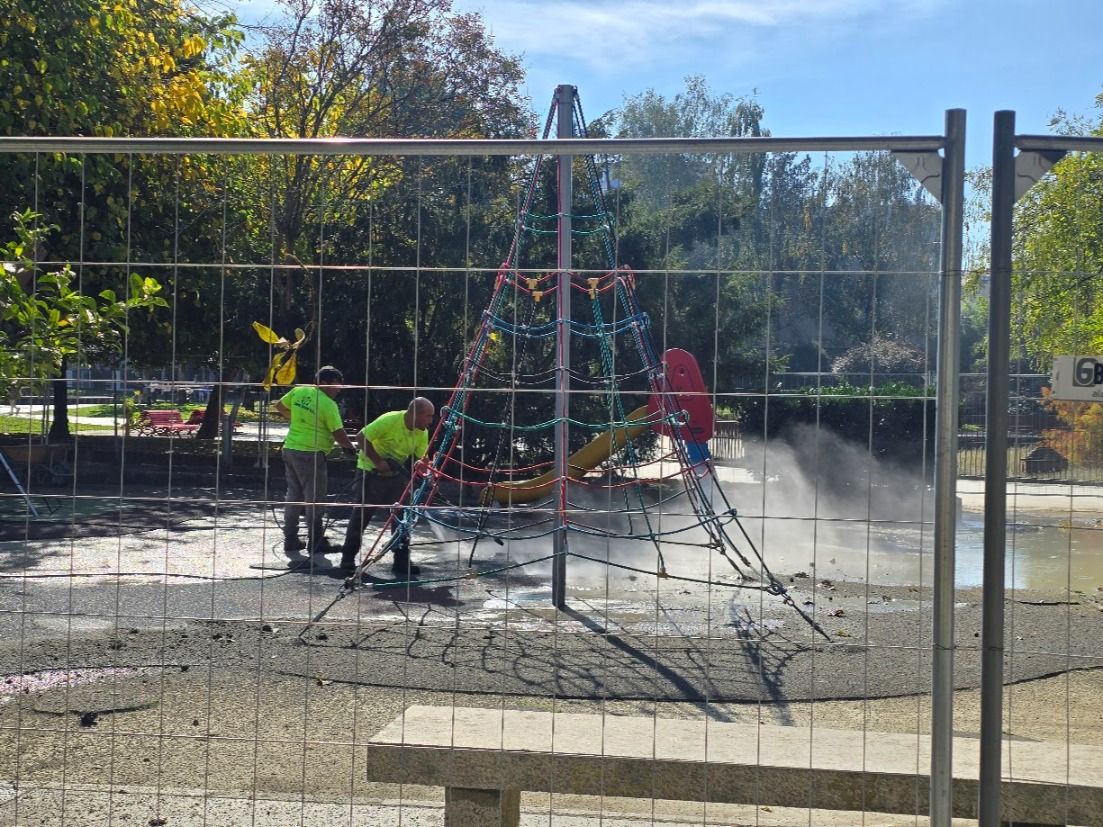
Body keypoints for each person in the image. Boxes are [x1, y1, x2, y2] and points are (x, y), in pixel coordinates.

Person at [340, 397, 435, 575]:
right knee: (362, 514)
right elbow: (361, 437)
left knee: (402, 516)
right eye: (427, 416)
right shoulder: (390, 420)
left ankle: (401, 561)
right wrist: (378, 462)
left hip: (395, 474)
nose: (430, 421)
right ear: (414, 414)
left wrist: (426, 470)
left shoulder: (421, 431)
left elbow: (421, 458)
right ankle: (347, 558)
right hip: (370, 471)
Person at [276, 366, 357, 555]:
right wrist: (350, 449)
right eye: (337, 385)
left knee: (294, 496)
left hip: (290, 449)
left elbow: (280, 405)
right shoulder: (328, 405)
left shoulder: (300, 390)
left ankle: (291, 539)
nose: (339, 389)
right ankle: (316, 541)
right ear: (325, 382)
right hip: (311, 454)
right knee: (315, 500)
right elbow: (338, 432)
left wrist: (298, 420)